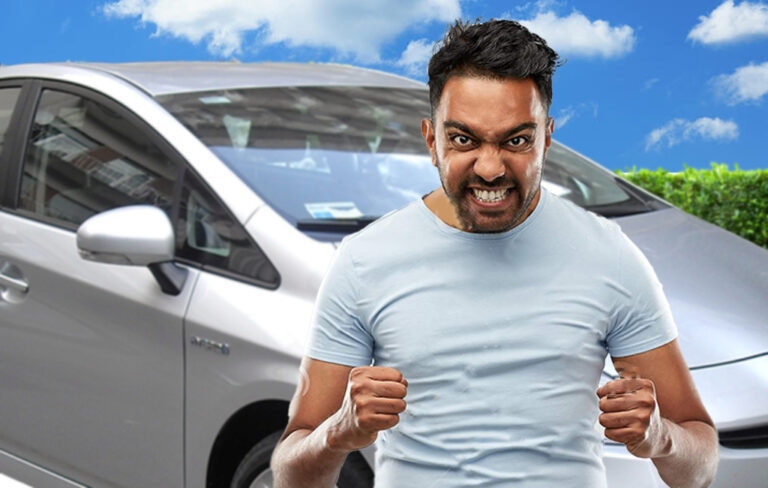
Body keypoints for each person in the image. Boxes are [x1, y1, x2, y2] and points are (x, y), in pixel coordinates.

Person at [271, 19, 719, 488]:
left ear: (547, 138)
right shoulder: (364, 261)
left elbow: (701, 465)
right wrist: (340, 432)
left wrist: (659, 438)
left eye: (516, 140)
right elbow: (290, 474)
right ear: (431, 140)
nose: (490, 168)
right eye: (464, 139)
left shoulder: (611, 257)